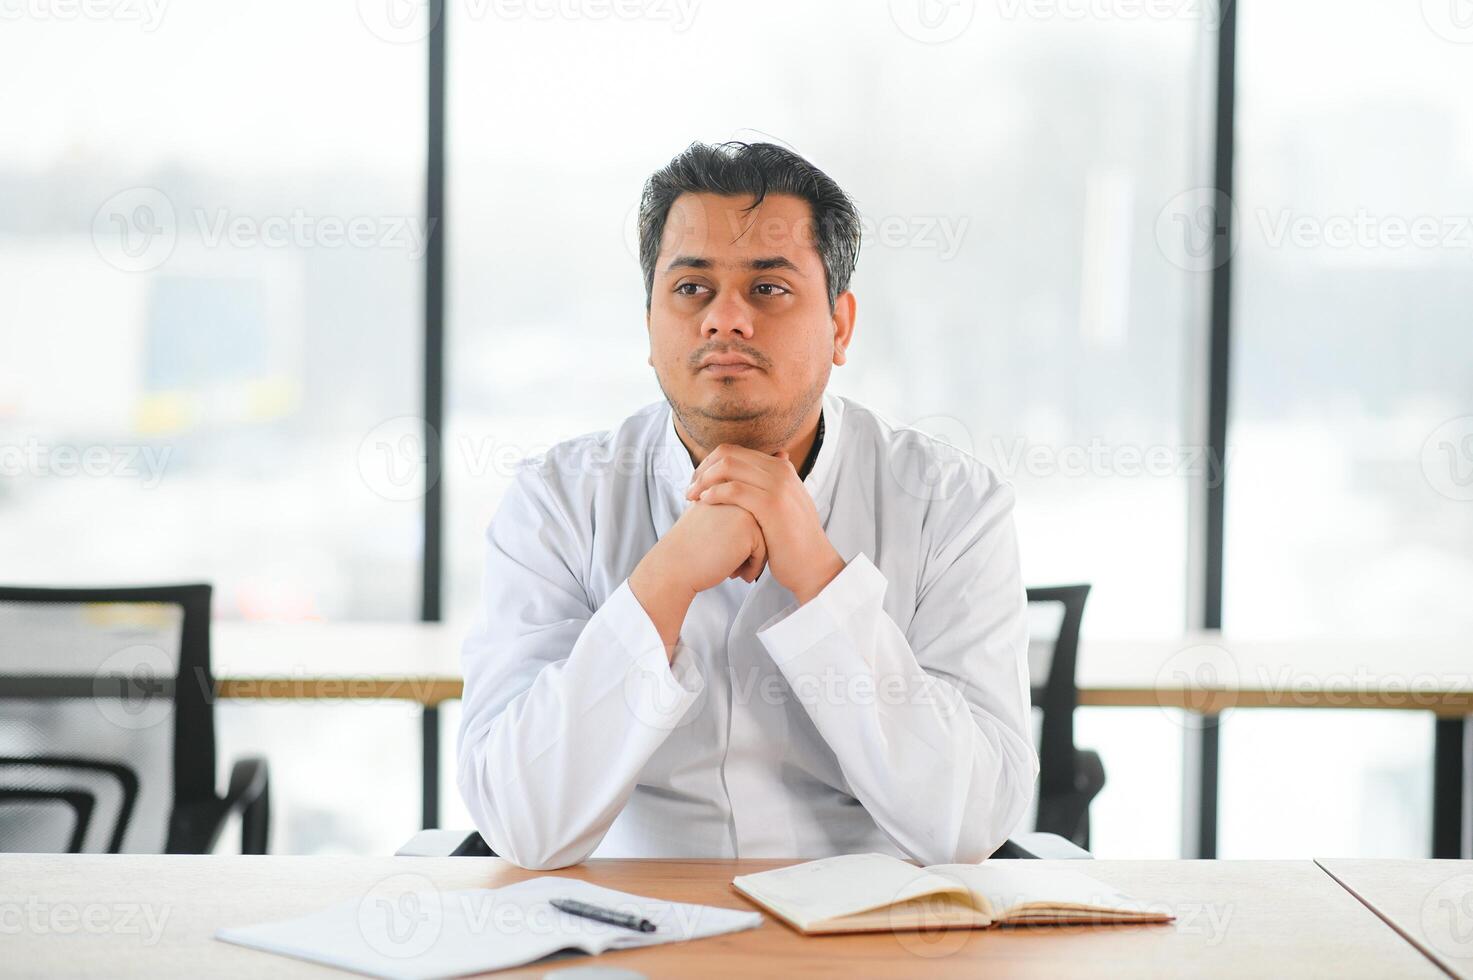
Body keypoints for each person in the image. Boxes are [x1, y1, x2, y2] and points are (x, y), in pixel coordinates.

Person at [457, 141, 1036, 870]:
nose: (724, 320)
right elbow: (521, 826)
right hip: (623, 921)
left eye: (768, 289)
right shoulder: (556, 501)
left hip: (875, 928)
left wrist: (825, 584)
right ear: (649, 324)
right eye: (691, 288)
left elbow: (966, 826)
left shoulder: (951, 505)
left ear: (840, 325)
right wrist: (660, 584)